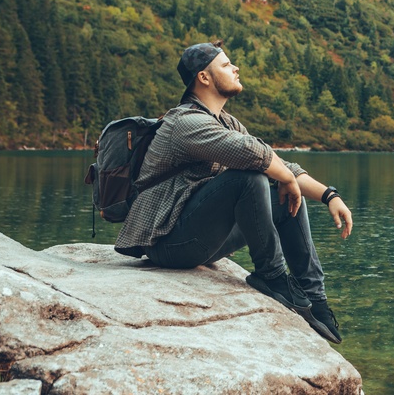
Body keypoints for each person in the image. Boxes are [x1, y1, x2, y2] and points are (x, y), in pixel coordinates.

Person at [114, 40, 353, 343]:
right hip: (166, 242)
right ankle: (272, 276)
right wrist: (284, 178)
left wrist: (329, 195)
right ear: (204, 77)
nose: (236, 67)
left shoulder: (225, 121)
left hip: (203, 241)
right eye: (226, 65)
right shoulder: (183, 122)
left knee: (281, 192)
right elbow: (251, 154)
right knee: (249, 178)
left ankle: (314, 298)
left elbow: (277, 161)